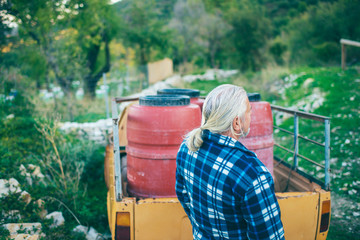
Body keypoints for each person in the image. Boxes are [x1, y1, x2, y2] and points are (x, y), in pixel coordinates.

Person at [176, 84, 285, 239]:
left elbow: (184, 197)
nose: (251, 116)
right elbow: (269, 236)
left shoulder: (187, 147)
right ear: (236, 123)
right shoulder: (253, 174)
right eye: (249, 112)